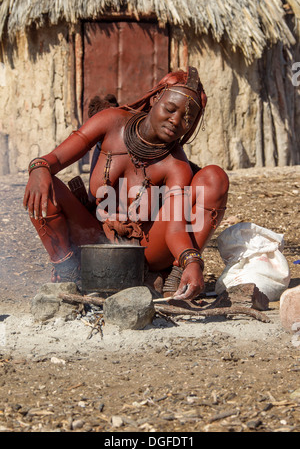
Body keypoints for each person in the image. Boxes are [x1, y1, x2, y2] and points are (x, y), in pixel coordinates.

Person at [23, 66, 229, 301]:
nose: (175, 121)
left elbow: (174, 227)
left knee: (214, 176)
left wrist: (192, 261)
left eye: (187, 119)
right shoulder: (111, 122)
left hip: (145, 250)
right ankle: (70, 272)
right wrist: (39, 167)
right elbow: (57, 158)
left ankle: (173, 277)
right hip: (93, 237)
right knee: (44, 185)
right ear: (155, 99)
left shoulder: (176, 166)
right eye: (170, 109)